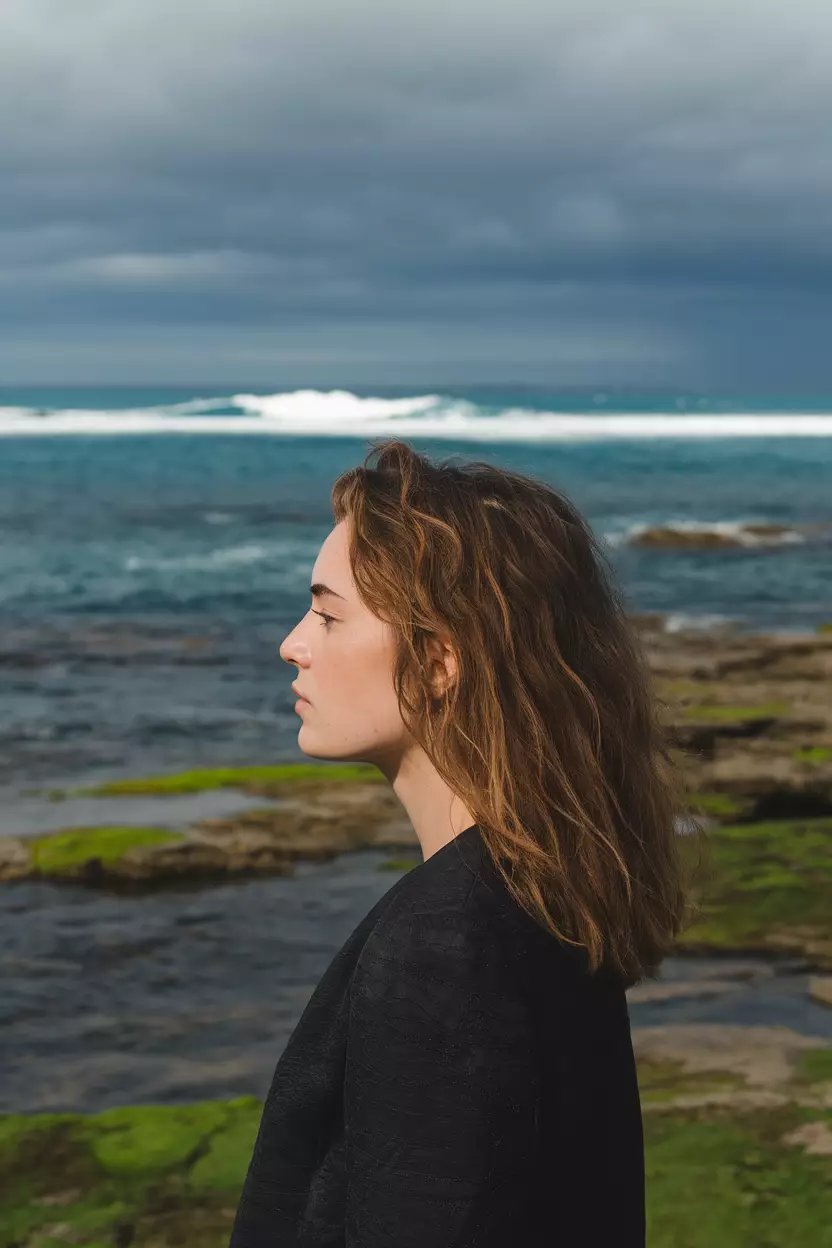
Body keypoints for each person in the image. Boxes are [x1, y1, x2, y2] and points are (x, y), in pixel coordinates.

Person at [228, 438, 703, 1246]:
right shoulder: (544, 889)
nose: (293, 644)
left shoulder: (447, 943)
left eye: (328, 614)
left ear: (440, 658)